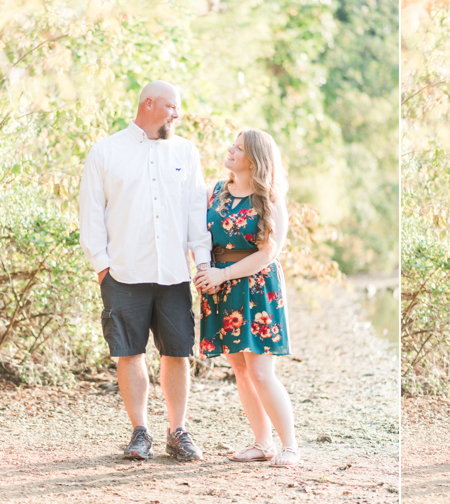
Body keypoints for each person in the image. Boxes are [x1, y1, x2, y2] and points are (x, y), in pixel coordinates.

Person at [79, 80, 211, 461]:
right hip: (122, 271)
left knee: (177, 352)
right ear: (148, 103)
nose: (177, 114)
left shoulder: (186, 152)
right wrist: (102, 268)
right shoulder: (106, 151)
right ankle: (140, 432)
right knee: (129, 351)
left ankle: (178, 431)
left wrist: (201, 264)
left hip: (174, 273)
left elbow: (194, 216)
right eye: (172, 107)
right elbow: (91, 214)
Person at [193, 129, 299, 467]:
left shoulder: (269, 199)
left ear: (254, 159)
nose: (230, 150)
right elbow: (197, 236)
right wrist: (204, 271)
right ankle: (262, 442)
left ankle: (291, 446)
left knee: (262, 370)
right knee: (239, 368)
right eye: (233, 145)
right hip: (219, 285)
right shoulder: (215, 192)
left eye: (238, 148)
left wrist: (222, 274)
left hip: (255, 287)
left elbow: (268, 253)